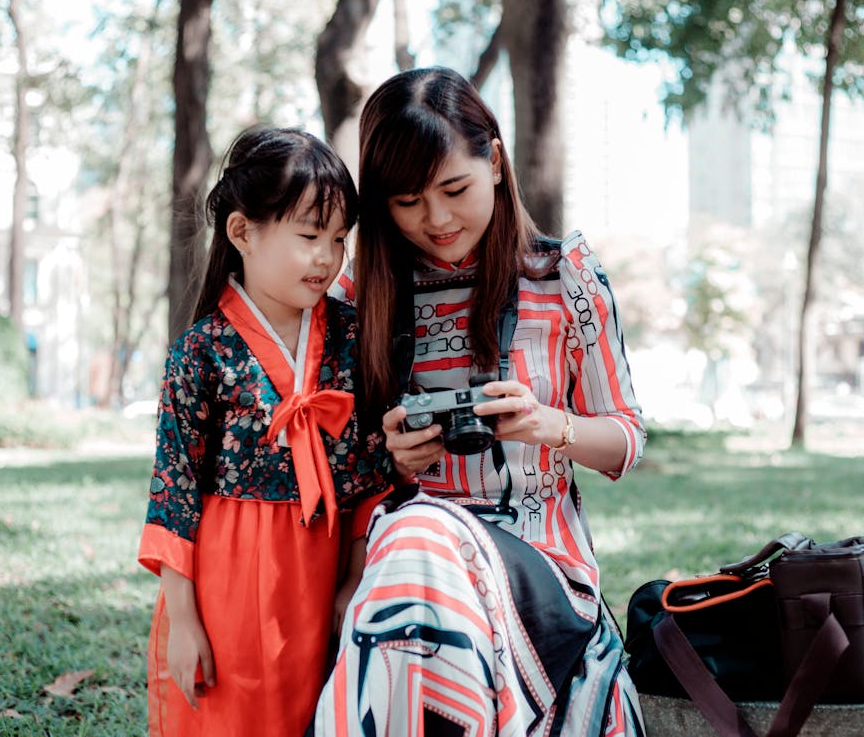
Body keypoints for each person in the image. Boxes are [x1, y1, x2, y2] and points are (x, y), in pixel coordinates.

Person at [309, 67, 648, 736]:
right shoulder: (359, 300)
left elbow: (625, 443)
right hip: (406, 571)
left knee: (413, 536)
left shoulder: (564, 280)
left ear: (494, 160)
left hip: (542, 572)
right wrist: (394, 460)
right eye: (406, 202)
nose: (434, 219)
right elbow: (336, 467)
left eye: (453, 188)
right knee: (412, 534)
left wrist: (545, 424)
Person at [138, 127, 389, 736]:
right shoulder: (200, 350)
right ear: (243, 232)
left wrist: (352, 580)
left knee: (315, 710)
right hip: (225, 574)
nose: (327, 258)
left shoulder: (353, 338)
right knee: (230, 710)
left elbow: (366, 470)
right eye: (308, 236)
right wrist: (185, 618)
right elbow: (174, 491)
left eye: (338, 239)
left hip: (322, 567)